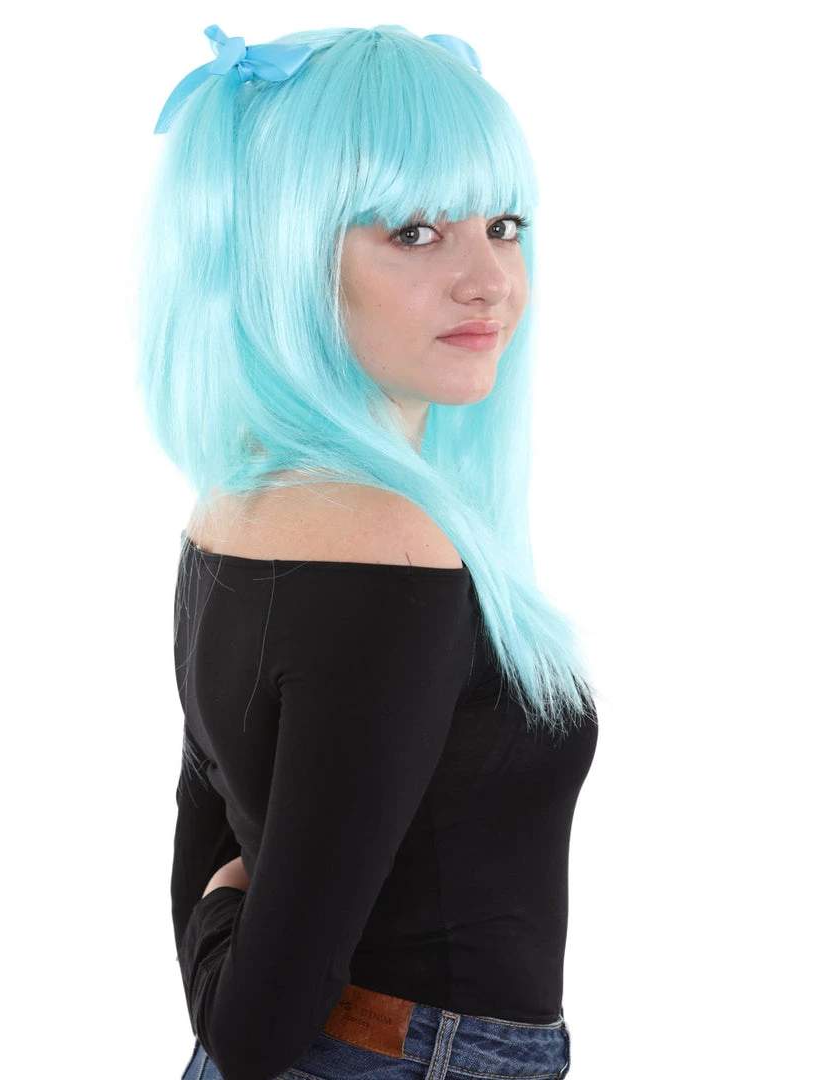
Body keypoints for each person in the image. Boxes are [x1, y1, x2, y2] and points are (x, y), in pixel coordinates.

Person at [137, 22, 599, 1080]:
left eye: (503, 225)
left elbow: (210, 835)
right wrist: (223, 936)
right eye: (414, 232)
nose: (489, 280)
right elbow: (252, 1027)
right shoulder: (385, 540)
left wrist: (217, 922)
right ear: (290, 257)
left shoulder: (241, 503)